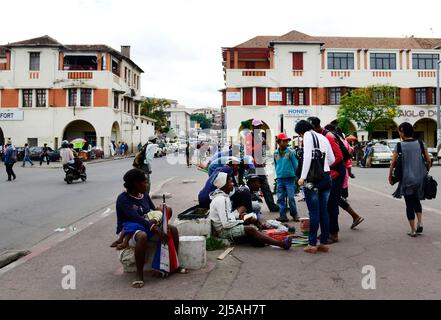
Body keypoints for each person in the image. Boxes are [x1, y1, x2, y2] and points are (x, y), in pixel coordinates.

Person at [115, 169, 183, 288]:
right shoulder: (123, 199)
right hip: (129, 230)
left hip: (148, 225)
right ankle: (139, 275)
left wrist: (161, 211)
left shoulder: (144, 195)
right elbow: (135, 218)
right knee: (142, 236)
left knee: (173, 230)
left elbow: (152, 211)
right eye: (144, 182)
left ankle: (174, 265)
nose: (147, 185)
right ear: (136, 184)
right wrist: (156, 229)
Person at [209, 172, 292, 249]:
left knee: (254, 232)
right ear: (224, 185)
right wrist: (242, 221)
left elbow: (227, 216)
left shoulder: (223, 197)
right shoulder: (222, 199)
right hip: (222, 232)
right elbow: (226, 224)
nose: (233, 184)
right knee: (251, 229)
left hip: (224, 228)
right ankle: (281, 244)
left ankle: (259, 238)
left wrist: (239, 216)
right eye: (230, 182)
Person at [296, 120, 335, 254]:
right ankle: (324, 243)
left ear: (301, 132)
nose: (301, 137)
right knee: (324, 211)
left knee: (313, 211)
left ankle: (312, 244)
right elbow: (332, 160)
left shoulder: (307, 135)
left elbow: (307, 157)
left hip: (312, 180)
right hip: (326, 177)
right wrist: (322, 165)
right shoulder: (323, 137)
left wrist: (302, 177)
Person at [389, 122, 432, 237]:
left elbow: (393, 162)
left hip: (407, 179)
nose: (399, 133)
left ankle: (413, 230)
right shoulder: (420, 143)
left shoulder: (399, 145)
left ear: (402, 132)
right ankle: (420, 223)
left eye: (399, 131)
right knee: (416, 200)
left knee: (409, 203)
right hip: (420, 178)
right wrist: (426, 170)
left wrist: (390, 176)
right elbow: (428, 160)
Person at [308, 117, 345, 243]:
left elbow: (338, 156)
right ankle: (328, 231)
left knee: (331, 203)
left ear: (314, 128)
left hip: (336, 172)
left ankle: (333, 233)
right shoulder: (319, 136)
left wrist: (325, 167)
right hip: (329, 172)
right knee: (327, 204)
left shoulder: (327, 137)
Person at [325, 125, 365, 230]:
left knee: (334, 199)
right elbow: (349, 153)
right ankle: (354, 216)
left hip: (337, 172)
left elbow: (341, 156)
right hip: (342, 170)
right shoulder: (342, 141)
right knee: (336, 198)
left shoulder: (334, 139)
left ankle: (335, 226)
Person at [245, 119, 279, 212]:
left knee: (265, 186)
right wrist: (259, 144)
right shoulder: (249, 136)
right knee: (251, 187)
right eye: (257, 127)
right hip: (251, 166)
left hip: (259, 165)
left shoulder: (258, 136)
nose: (259, 128)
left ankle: (272, 206)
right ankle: (250, 208)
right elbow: (249, 151)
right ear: (253, 127)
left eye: (260, 127)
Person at [274, 133, 299, 223]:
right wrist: (277, 174)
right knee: (280, 198)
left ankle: (294, 214)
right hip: (280, 178)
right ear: (279, 142)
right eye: (284, 141)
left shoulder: (290, 152)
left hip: (290, 178)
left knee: (291, 198)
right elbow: (276, 164)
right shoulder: (275, 153)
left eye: (286, 141)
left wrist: (297, 177)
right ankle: (283, 216)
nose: (286, 142)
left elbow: (296, 164)